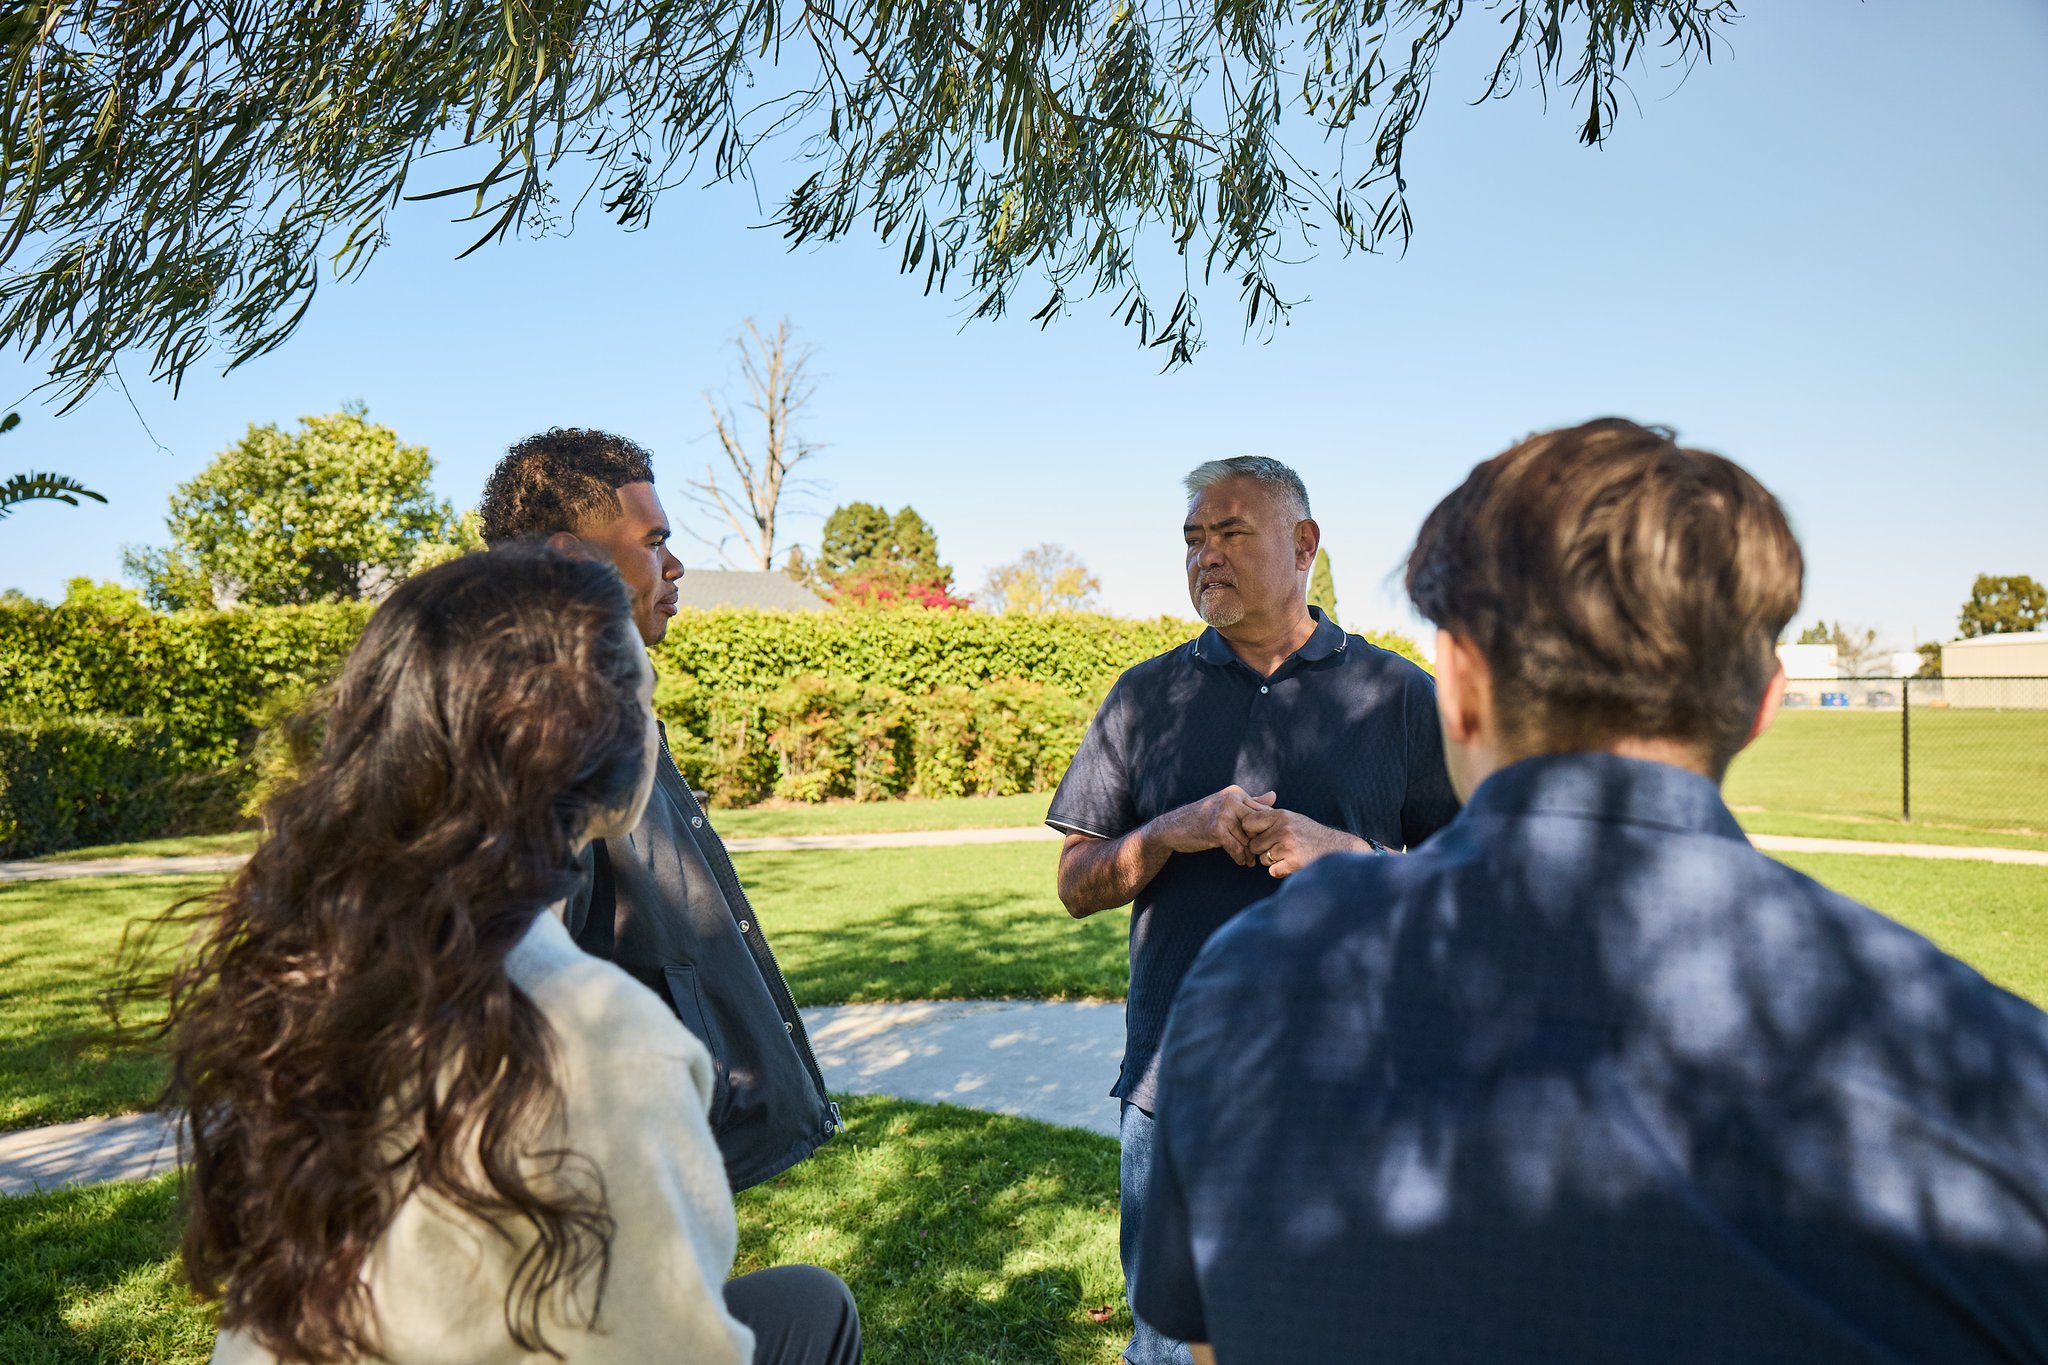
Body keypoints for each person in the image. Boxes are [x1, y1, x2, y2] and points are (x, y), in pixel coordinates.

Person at [1134, 419, 2048, 1364]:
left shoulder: (1246, 992)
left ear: (1458, 685)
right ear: (1764, 704)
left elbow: (1208, 1348)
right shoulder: (1995, 1075)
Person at [163, 547, 859, 1364]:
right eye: (644, 701)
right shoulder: (604, 1037)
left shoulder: (311, 972)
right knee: (814, 1310)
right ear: (585, 739)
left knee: (807, 1305)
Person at [1046, 455, 1459, 1365]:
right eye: (1194, 538)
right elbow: (1076, 882)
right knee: (1167, 1346)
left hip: (1352, 1087)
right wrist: (1171, 832)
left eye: (1231, 531)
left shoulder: (1399, 697)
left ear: (1304, 542)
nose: (1206, 554)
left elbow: (1466, 889)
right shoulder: (1143, 697)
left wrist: (1344, 853)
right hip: (1175, 1086)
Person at [478, 428, 839, 1192]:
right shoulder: (549, 733)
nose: (675, 567)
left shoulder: (600, 703)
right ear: (572, 559)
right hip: (613, 1178)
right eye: (654, 541)